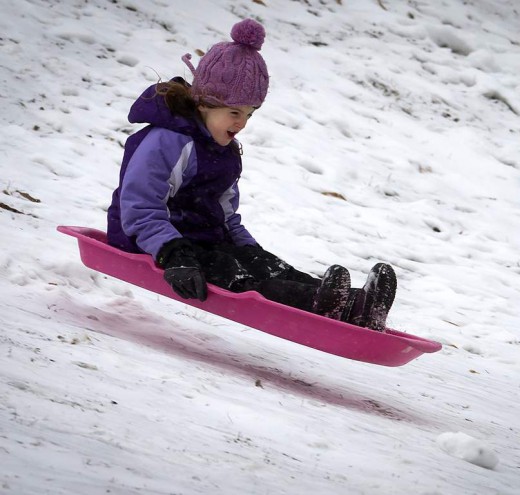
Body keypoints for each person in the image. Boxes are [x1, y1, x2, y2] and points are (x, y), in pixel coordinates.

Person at [106, 19, 397, 331]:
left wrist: (254, 252)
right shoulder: (168, 141)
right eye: (234, 112)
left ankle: (354, 304)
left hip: (201, 241)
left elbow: (226, 217)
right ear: (204, 102)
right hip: (152, 242)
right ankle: (321, 305)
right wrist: (174, 255)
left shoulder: (224, 151)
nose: (242, 123)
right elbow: (139, 207)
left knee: (265, 266)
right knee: (237, 274)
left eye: (249, 114)